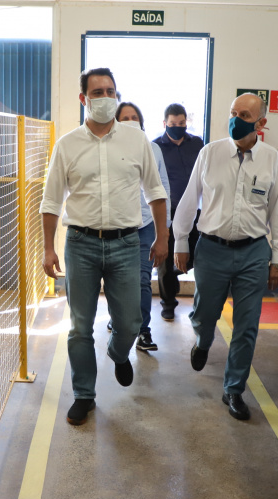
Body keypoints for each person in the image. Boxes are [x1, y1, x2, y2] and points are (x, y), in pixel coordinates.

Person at [41, 68, 168, 426]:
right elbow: (51, 202)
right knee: (80, 326)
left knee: (130, 321)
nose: (106, 98)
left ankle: (118, 351)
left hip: (127, 243)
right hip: (80, 244)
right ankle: (84, 394)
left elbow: (156, 192)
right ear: (84, 99)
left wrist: (163, 237)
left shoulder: (136, 140)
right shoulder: (67, 145)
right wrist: (48, 249)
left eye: (111, 91)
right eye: (97, 92)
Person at [172, 93, 278, 421]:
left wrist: (277, 257)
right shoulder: (210, 154)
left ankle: (233, 388)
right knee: (204, 313)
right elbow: (189, 197)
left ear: (261, 123)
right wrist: (181, 240)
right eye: (233, 112)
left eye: (245, 114)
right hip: (211, 249)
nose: (236, 118)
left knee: (247, 324)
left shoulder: (271, 160)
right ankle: (203, 339)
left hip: (254, 252)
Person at [110, 101, 172, 352]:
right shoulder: (107, 149)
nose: (130, 121)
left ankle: (143, 331)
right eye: (124, 118)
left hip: (145, 225)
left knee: (142, 280)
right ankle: (118, 322)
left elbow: (163, 187)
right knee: (116, 280)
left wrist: (163, 230)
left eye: (134, 117)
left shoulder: (153, 149)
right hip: (116, 224)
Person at [153, 103, 204, 321]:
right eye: (173, 124)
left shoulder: (197, 144)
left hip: (195, 209)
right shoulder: (155, 147)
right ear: (165, 124)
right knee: (165, 260)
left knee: (200, 256)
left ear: (186, 122)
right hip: (168, 210)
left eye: (181, 123)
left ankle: (200, 301)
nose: (177, 127)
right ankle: (168, 304)